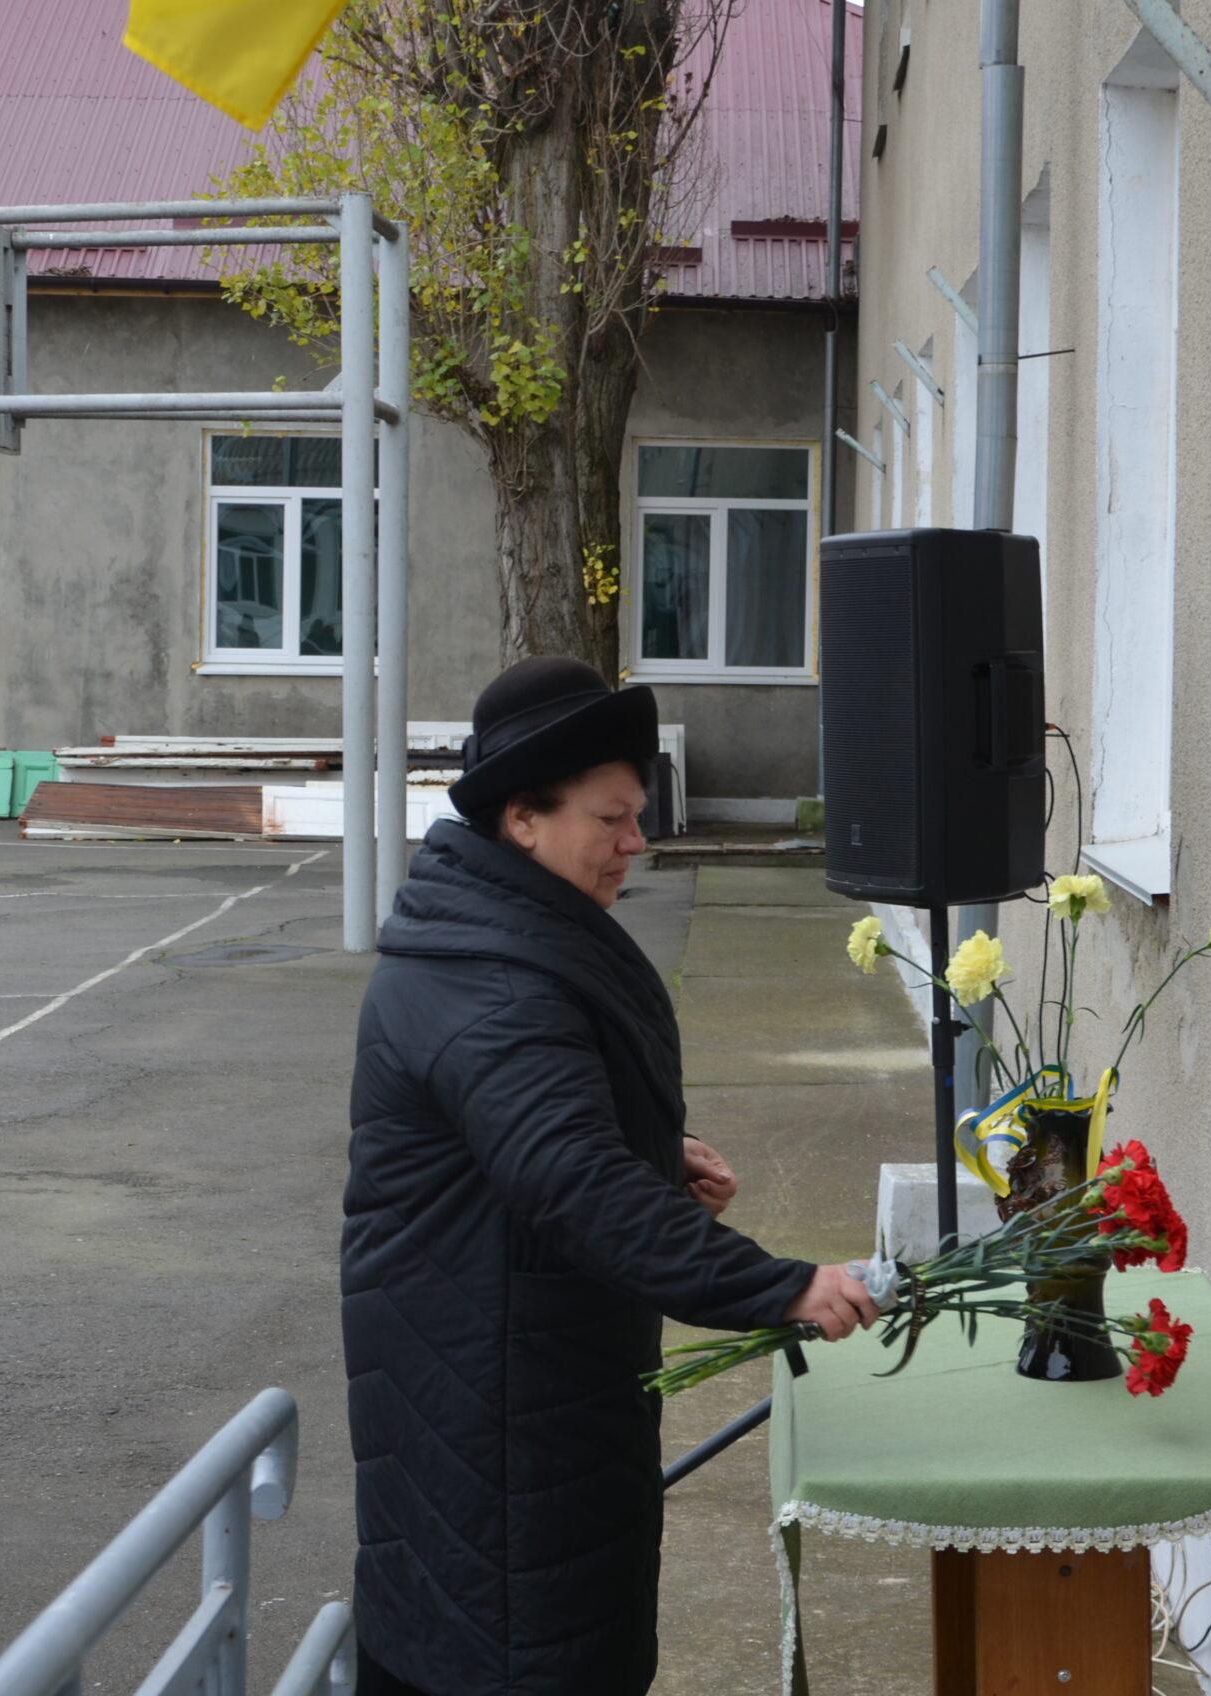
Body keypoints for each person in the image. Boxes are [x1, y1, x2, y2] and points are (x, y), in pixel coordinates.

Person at [341, 658, 878, 1696]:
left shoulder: (499, 931)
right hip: (497, 1417)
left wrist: (644, 1146)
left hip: (516, 1378)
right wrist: (782, 1285)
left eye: (638, 815)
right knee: (509, 1648)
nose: (636, 841)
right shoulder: (493, 978)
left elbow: (529, 1138)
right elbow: (571, 1181)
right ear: (524, 819)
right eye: (613, 818)